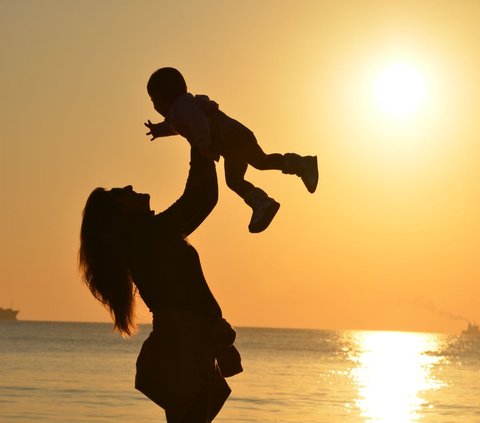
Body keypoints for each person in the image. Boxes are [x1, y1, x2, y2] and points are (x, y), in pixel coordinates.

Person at [79, 146, 242, 423]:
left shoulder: (150, 236)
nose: (130, 187)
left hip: (189, 344)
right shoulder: (148, 236)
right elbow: (199, 198)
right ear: (120, 213)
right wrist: (197, 139)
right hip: (183, 346)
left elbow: (204, 200)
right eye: (122, 193)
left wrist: (201, 143)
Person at [145, 67, 319, 233]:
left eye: (154, 101)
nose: (155, 106)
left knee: (241, 175)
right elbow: (176, 126)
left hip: (231, 139)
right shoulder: (181, 109)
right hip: (234, 139)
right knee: (258, 164)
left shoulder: (181, 107)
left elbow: (198, 122)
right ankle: (293, 171)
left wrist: (203, 144)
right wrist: (158, 131)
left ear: (163, 98)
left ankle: (265, 200)